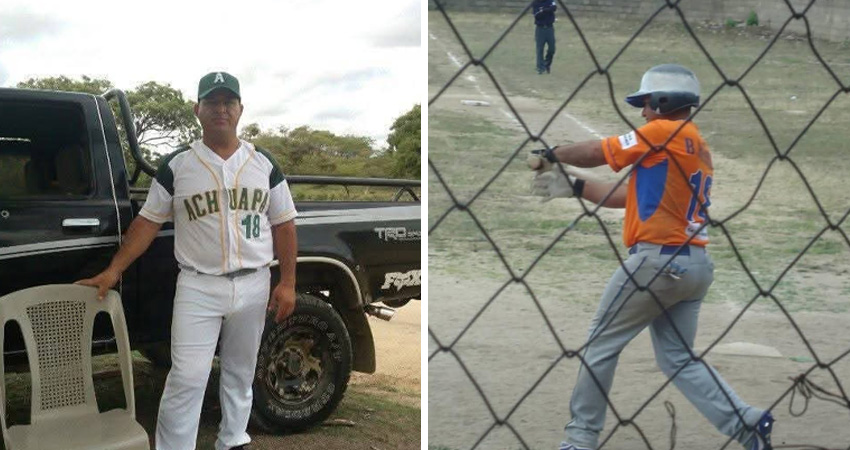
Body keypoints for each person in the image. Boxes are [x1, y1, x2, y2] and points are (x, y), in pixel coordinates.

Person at [528, 64, 774, 450]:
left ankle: (579, 441)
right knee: (678, 357)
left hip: (657, 264)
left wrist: (552, 154)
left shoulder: (662, 131)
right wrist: (574, 186)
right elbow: (625, 199)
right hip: (693, 267)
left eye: (646, 103)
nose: (642, 112)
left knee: (600, 344)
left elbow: (597, 151)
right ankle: (748, 423)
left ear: (663, 102)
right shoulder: (696, 146)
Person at [77, 71, 298, 450]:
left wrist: (288, 282)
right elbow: (147, 223)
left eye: (228, 102)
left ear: (240, 109)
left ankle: (232, 439)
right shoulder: (178, 164)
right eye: (212, 102)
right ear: (198, 110)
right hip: (199, 284)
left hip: (254, 281)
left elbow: (284, 224)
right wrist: (115, 269)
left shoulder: (263, 163)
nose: (221, 109)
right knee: (188, 376)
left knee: (241, 371)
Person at [532, 0, 557, 74]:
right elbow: (537, 16)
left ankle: (547, 64)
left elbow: (554, 8)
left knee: (552, 48)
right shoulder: (536, 2)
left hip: (549, 28)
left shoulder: (550, 1)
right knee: (540, 49)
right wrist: (547, 10)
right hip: (540, 28)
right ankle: (540, 68)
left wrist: (544, 10)